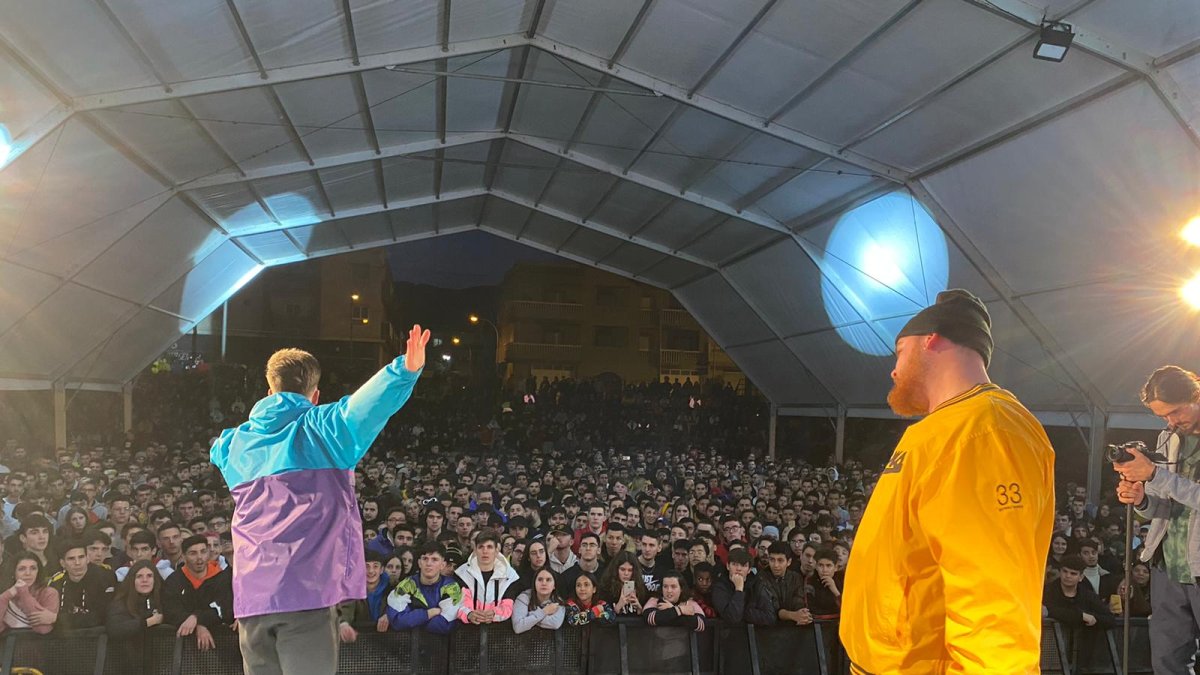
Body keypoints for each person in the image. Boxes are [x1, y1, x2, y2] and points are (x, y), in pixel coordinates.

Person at [842, 290, 1055, 673]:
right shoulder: (949, 427)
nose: (893, 369)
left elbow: (991, 596)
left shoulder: (985, 430)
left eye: (900, 351)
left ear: (932, 340)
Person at [210, 328, 428, 675]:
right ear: (314, 396)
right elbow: (363, 407)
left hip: (251, 600)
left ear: (270, 390)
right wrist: (403, 370)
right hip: (305, 595)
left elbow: (216, 449)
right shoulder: (321, 429)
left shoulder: (234, 444)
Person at [1115, 364, 1200, 672]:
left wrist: (1153, 473)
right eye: (1164, 416)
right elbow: (1167, 505)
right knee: (1166, 662)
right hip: (1167, 566)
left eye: (1176, 412)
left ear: (1197, 392)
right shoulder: (1170, 437)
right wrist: (1142, 499)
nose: (1172, 422)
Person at [163, 535, 233, 652]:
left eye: (203, 552)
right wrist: (198, 626)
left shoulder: (223, 578)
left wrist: (198, 619)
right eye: (193, 553)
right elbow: (171, 611)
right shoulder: (174, 581)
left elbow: (225, 608)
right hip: (184, 647)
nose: (199, 557)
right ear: (184, 557)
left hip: (222, 646)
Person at [387, 542, 461, 635]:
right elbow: (397, 621)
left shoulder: (451, 586)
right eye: (425, 559)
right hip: (408, 645)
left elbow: (444, 625)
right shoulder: (406, 585)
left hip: (442, 645)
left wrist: (413, 620)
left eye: (434, 559)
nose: (429, 563)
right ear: (419, 563)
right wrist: (430, 613)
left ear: (442, 565)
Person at [106, 560, 167, 665]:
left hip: (161, 661)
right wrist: (147, 622)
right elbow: (115, 628)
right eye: (139, 576)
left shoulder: (165, 599)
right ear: (132, 580)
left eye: (149, 576)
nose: (145, 580)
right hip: (127, 663)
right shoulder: (121, 602)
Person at [49, 538, 117, 630]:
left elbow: (102, 617)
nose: (77, 563)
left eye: (81, 557)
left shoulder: (105, 578)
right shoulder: (56, 584)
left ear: (87, 559)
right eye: (71, 559)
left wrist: (56, 619)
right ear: (62, 563)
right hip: (66, 638)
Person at [455, 528, 520, 625]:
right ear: (475, 550)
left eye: (489, 547)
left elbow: (508, 605)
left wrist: (494, 613)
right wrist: (469, 614)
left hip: (499, 631)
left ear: (497, 550)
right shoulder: (462, 573)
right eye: (481, 547)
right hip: (467, 630)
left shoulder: (510, 576)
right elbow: (460, 603)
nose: (485, 551)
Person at [1043, 554, 1115, 629]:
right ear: (1060, 572)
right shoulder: (1047, 591)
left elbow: (1110, 619)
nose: (1068, 576)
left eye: (1073, 573)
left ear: (1081, 577)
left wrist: (1093, 618)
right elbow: (1048, 609)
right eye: (1065, 571)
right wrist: (1081, 616)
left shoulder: (1088, 595)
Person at [336, 551, 391, 640]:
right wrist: (343, 624)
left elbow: (398, 608)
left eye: (375, 566)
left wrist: (389, 615)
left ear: (381, 570)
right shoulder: (353, 590)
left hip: (387, 640)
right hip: (361, 641)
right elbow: (346, 608)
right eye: (367, 566)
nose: (371, 571)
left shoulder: (391, 589)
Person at [712, 548, 774, 625]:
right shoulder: (719, 586)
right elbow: (733, 618)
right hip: (727, 634)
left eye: (743, 565)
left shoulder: (757, 584)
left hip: (756, 634)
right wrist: (739, 590)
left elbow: (769, 617)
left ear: (749, 570)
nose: (738, 569)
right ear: (728, 566)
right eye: (735, 564)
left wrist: (744, 612)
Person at [0, 552, 57, 634]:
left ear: (38, 572)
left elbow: (43, 629)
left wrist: (24, 593)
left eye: (33, 568)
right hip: (10, 644)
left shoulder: (49, 593)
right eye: (22, 569)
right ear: (13, 572)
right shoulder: (6, 594)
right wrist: (6, 596)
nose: (28, 573)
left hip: (41, 644)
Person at [512, 568, 565, 633]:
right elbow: (518, 627)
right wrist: (544, 612)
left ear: (554, 585)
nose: (544, 583)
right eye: (540, 579)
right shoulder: (524, 597)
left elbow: (555, 624)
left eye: (548, 580)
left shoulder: (558, 601)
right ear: (534, 583)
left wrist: (529, 616)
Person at [598, 551, 648, 616]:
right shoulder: (606, 588)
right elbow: (602, 617)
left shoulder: (641, 588)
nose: (626, 573)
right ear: (616, 569)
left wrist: (639, 608)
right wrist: (618, 607)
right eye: (622, 569)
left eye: (630, 570)